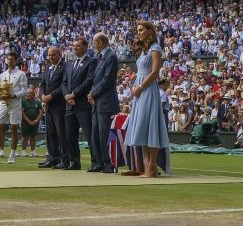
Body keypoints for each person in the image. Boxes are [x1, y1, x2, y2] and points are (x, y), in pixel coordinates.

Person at [122, 22, 169, 177]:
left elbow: (155, 72)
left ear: (149, 31)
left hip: (147, 91)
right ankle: (146, 166)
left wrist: (140, 87)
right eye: (138, 30)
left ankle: (151, 166)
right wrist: (136, 85)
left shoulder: (155, 48)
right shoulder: (143, 51)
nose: (139, 33)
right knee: (142, 126)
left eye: (141, 30)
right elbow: (143, 71)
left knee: (150, 126)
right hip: (139, 91)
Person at [59, 38, 95, 170]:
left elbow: (88, 81)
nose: (75, 48)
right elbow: (63, 83)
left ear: (86, 47)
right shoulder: (69, 64)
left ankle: (95, 161)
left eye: (78, 46)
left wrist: (73, 94)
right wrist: (67, 97)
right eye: (74, 46)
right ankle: (74, 161)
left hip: (83, 104)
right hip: (70, 105)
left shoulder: (91, 61)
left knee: (89, 134)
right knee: (70, 135)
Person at [0, 50, 27, 164]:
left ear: (16, 61)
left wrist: (14, 95)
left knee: (14, 129)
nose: (9, 61)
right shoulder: (2, 75)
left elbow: (24, 90)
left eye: (12, 59)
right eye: (8, 59)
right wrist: (0, 95)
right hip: (3, 104)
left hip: (15, 104)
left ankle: (12, 156)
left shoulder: (21, 74)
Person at [88, 33, 119, 173]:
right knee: (95, 134)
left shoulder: (111, 56)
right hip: (96, 102)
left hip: (105, 102)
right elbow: (95, 79)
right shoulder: (99, 57)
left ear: (100, 42)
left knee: (104, 134)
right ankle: (99, 163)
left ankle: (109, 164)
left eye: (94, 42)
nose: (93, 44)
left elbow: (107, 79)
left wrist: (93, 93)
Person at [38, 46, 65, 168]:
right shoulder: (48, 68)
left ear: (59, 55)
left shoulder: (65, 67)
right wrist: (42, 95)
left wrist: (51, 96)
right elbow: (42, 84)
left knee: (61, 133)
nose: (50, 57)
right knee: (50, 134)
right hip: (48, 106)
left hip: (59, 104)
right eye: (49, 55)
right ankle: (52, 157)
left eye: (53, 55)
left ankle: (63, 158)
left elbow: (64, 85)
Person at [20, 85, 42, 157]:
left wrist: (36, 120)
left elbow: (41, 112)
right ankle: (23, 151)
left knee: (33, 137)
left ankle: (33, 151)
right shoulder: (23, 102)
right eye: (27, 93)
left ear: (33, 94)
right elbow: (22, 112)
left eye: (30, 93)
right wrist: (28, 121)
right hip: (25, 122)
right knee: (25, 136)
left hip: (35, 123)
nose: (28, 94)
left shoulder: (37, 102)